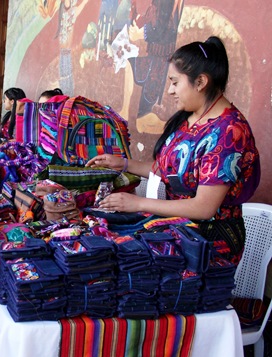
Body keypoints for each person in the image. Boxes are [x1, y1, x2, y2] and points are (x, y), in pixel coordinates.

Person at [86, 36, 260, 264]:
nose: (169, 91)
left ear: (200, 82)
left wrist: (137, 204)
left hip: (207, 243)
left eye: (175, 82)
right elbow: (168, 171)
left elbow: (204, 207)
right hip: (177, 229)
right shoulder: (190, 119)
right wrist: (124, 164)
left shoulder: (229, 131)